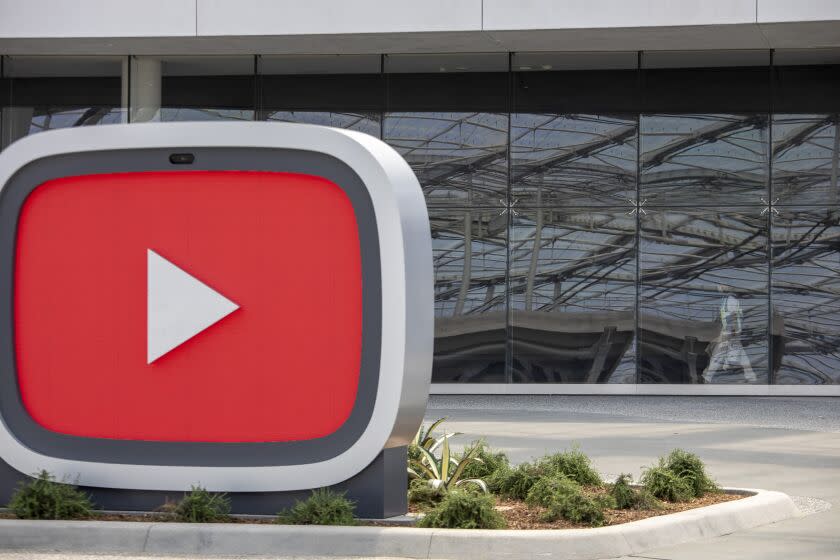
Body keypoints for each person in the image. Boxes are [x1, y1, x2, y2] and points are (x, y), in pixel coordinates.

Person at [704, 284, 757, 383]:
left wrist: (731, 335)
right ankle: (751, 376)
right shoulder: (727, 299)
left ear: (727, 287)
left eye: (721, 285)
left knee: (717, 356)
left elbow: (732, 318)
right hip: (730, 333)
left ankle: (707, 378)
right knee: (739, 356)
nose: (718, 287)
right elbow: (726, 317)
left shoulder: (731, 300)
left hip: (730, 334)